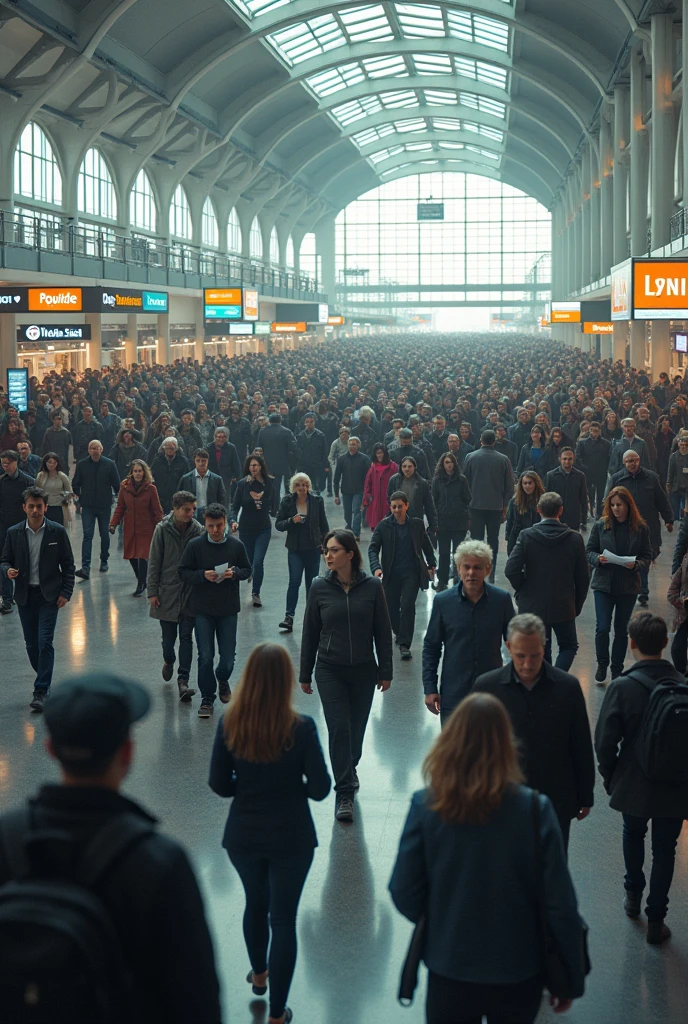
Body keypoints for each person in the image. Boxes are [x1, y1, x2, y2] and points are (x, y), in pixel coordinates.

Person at [0, 670, 222, 1020]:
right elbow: (197, 1004)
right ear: (127, 752)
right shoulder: (159, 863)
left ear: (50, 750)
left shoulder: (6, 838)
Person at [389, 693, 587, 1024]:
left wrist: (442, 919)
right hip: (518, 970)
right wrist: (570, 978)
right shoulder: (535, 810)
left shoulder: (427, 806)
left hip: (449, 964)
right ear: (506, 745)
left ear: (450, 742)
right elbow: (560, 904)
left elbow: (403, 890)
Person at [208, 644, 331, 1024]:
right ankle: (277, 1014)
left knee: (255, 905)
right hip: (292, 836)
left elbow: (218, 783)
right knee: (283, 919)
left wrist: (243, 788)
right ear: (284, 683)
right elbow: (321, 789)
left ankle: (259, 974)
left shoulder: (231, 723)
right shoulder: (302, 728)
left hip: (243, 834)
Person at [594, 612, 688, 944]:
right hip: (676, 787)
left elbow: (604, 742)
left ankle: (632, 896)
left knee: (632, 834)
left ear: (631, 644)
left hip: (634, 783)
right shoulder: (683, 685)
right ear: (665, 643)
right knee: (666, 848)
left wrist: (612, 777)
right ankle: (657, 919)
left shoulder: (622, 687)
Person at [473, 614, 595, 852]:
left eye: (535, 656)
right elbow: (474, 748)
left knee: (551, 869)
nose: (528, 664)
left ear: (544, 646)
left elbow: (580, 743)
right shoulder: (487, 687)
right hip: (501, 800)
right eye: (520, 656)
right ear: (508, 647)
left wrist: (585, 795)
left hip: (554, 800)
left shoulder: (567, 688)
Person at [300, 529, 393, 822]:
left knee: (356, 731)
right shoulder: (318, 586)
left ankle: (348, 767)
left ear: (350, 554)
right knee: (339, 727)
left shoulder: (372, 587)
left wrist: (386, 670)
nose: (328, 555)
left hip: (364, 669)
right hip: (330, 668)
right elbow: (310, 631)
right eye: (326, 550)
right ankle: (344, 792)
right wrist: (305, 672)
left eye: (334, 550)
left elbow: (382, 631)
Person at [423, 540, 514, 724]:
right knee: (455, 751)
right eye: (467, 567)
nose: (471, 573)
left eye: (477, 567)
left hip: (491, 693)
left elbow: (515, 643)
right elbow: (432, 647)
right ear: (458, 568)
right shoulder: (443, 602)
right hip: (454, 694)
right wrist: (430, 688)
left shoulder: (501, 601)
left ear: (488, 570)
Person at [1, 485, 74, 711]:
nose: (35, 510)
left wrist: (66, 592)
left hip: (48, 595)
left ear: (45, 507)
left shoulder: (56, 532)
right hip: (24, 595)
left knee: (45, 642)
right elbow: (4, 560)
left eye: (39, 506)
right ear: (24, 508)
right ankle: (44, 676)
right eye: (31, 506)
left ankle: (41, 689)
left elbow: (69, 565)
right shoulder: (14, 533)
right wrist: (7, 571)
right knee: (32, 644)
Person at [179, 502, 252, 717]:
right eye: (210, 526)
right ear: (205, 524)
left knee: (227, 659)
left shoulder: (236, 546)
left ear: (226, 524)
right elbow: (182, 572)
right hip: (202, 609)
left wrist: (234, 573)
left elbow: (248, 570)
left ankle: (222, 677)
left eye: (219, 526)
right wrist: (202, 575)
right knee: (205, 656)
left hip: (228, 609)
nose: (215, 531)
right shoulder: (195, 545)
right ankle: (207, 699)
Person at [505, 491, 589, 671]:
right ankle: (557, 679)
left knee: (542, 647)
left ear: (538, 510)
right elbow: (583, 577)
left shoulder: (527, 536)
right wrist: (577, 604)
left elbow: (511, 569)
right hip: (563, 604)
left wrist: (523, 589)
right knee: (568, 646)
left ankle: (545, 683)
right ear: (561, 511)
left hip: (533, 604)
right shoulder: (574, 538)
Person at [586, 486, 652, 683]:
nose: (616, 508)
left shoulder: (640, 528)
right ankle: (602, 662)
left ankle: (617, 668)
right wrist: (598, 559)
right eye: (613, 505)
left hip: (628, 585)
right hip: (604, 585)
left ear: (628, 505)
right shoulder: (600, 526)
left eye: (619, 505)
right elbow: (589, 550)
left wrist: (637, 564)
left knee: (622, 629)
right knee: (602, 627)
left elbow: (647, 556)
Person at [147, 490, 202, 701]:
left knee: (187, 638)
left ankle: (183, 681)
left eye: (193, 510)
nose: (191, 513)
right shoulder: (162, 530)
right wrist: (153, 591)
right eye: (187, 510)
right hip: (167, 592)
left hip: (189, 594)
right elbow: (154, 562)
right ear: (176, 509)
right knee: (168, 641)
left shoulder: (197, 530)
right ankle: (168, 660)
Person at [368, 490, 436, 660]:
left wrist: (432, 564)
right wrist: (376, 567)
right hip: (390, 574)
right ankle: (400, 633)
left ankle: (405, 644)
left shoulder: (416, 524)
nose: (397, 509)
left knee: (407, 605)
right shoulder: (383, 526)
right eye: (394, 507)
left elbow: (426, 546)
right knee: (391, 608)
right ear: (390, 508)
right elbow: (373, 548)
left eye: (400, 506)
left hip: (411, 573)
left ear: (407, 505)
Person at [608, 449, 673, 606]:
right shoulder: (617, 479)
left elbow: (662, 500)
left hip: (648, 527)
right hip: (624, 527)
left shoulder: (651, 478)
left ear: (639, 460)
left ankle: (642, 589)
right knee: (629, 557)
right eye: (629, 461)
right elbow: (608, 501)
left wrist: (668, 519)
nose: (632, 463)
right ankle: (637, 589)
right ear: (624, 463)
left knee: (646, 557)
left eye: (635, 460)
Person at [275, 473, 328, 633]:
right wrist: (292, 520)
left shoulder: (317, 501)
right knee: (294, 582)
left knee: (312, 585)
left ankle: (311, 617)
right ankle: (289, 617)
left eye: (304, 485)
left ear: (308, 486)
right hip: (295, 549)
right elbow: (278, 524)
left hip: (313, 548)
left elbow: (323, 523)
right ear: (293, 487)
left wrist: (326, 544)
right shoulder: (287, 501)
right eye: (298, 485)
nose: (301, 488)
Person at [463, 429, 514, 582]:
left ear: (481, 440)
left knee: (476, 540)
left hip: (475, 506)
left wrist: (466, 505)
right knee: (493, 540)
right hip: (495, 506)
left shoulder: (470, 457)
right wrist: (505, 505)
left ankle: (477, 569)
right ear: (494, 442)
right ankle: (490, 571)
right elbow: (509, 486)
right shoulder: (504, 459)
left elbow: (465, 483)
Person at [108, 460, 164, 597]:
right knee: (132, 555)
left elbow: (157, 510)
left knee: (143, 556)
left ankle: (141, 584)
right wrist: (113, 523)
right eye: (135, 471)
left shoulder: (151, 488)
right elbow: (120, 507)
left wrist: (162, 526)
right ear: (131, 473)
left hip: (146, 526)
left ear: (144, 472)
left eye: (140, 471)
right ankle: (142, 579)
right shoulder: (124, 487)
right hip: (130, 526)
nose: (138, 473)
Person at [230, 452, 274, 608]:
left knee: (258, 561)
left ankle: (256, 593)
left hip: (263, 528)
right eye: (250, 465)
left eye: (255, 465)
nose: (253, 468)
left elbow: (274, 504)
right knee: (248, 562)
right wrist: (233, 520)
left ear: (261, 467)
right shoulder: (243, 484)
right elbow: (234, 506)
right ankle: (250, 575)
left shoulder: (269, 483)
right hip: (246, 528)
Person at [72, 440, 120, 580]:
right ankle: (85, 567)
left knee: (104, 534)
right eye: (92, 448)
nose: (95, 450)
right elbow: (76, 483)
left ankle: (104, 560)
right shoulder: (82, 464)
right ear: (88, 450)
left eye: (97, 448)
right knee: (87, 535)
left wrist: (118, 501)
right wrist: (81, 499)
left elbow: (117, 484)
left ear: (102, 449)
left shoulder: (110, 464)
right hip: (88, 506)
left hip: (104, 506)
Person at [0, 450, 37, 613]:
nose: (4, 466)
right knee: (4, 562)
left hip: (22, 527)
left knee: (24, 561)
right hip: (4, 528)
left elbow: (34, 506)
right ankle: (7, 598)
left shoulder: (28, 482)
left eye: (7, 463)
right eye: (2, 463)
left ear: (15, 462)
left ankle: (24, 594)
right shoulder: (2, 481)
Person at [333, 436, 371, 540]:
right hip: (346, 490)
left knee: (356, 510)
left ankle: (356, 533)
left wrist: (368, 492)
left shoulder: (364, 459)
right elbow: (336, 477)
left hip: (359, 490)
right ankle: (348, 527)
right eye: (350, 444)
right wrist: (336, 494)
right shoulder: (342, 459)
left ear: (358, 445)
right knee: (347, 512)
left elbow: (368, 477)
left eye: (354, 444)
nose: (352, 446)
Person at [387, 455, 437, 533]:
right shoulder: (393, 481)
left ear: (414, 467)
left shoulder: (422, 483)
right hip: (397, 520)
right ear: (401, 467)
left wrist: (433, 524)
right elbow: (388, 501)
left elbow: (429, 505)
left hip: (415, 520)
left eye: (410, 466)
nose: (407, 469)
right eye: (404, 466)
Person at [546, 447, 588, 531]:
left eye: (570, 459)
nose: (567, 461)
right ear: (559, 459)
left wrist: (584, 518)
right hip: (556, 517)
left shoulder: (580, 476)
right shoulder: (551, 475)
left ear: (573, 459)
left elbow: (583, 498)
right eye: (564, 459)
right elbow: (547, 498)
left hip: (574, 517)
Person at [575, 420, 610, 519]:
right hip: (587, 472)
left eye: (596, 430)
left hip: (601, 472)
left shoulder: (606, 443)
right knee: (587, 494)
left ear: (600, 431)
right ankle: (585, 513)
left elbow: (609, 457)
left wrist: (606, 468)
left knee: (601, 495)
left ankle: (599, 514)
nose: (594, 432)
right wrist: (583, 467)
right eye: (592, 430)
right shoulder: (582, 442)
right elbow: (577, 456)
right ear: (589, 431)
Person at [179, 448, 227, 520]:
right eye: (198, 461)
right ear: (194, 461)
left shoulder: (217, 479)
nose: (201, 463)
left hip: (210, 514)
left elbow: (222, 500)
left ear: (208, 461)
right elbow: (179, 498)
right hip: (191, 515)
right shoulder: (186, 479)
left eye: (203, 461)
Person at [258, 413, 297, 498]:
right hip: (284, 463)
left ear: (269, 421)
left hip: (268, 463)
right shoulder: (287, 431)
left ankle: (274, 507)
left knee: (273, 488)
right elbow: (293, 448)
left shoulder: (263, 432)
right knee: (286, 486)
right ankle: (284, 505)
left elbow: (259, 447)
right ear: (280, 420)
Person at [505, 471, 543, 555]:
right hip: (517, 539)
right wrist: (508, 537)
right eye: (525, 483)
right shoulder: (515, 502)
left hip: (537, 539)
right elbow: (510, 521)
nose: (527, 486)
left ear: (535, 484)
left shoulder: (542, 501)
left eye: (530, 483)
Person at [362, 442, 398, 530]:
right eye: (377, 453)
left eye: (381, 453)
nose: (379, 455)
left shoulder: (393, 467)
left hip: (389, 500)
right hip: (375, 501)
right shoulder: (373, 468)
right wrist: (367, 497)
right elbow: (367, 484)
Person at [150, 437, 189, 514]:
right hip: (159, 499)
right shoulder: (157, 461)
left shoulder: (183, 461)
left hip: (177, 500)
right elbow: (152, 479)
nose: (170, 450)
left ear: (176, 448)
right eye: (168, 448)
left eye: (172, 448)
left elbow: (186, 481)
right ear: (163, 448)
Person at [295, 413, 329, 496]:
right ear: (304, 423)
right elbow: (297, 451)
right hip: (304, 466)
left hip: (317, 465)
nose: (309, 424)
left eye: (311, 422)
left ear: (314, 423)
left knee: (317, 488)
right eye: (307, 422)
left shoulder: (320, 435)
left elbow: (325, 451)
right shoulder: (300, 436)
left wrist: (325, 465)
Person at [35, 451, 72, 526]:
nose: (52, 464)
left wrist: (64, 496)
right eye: (50, 462)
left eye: (54, 462)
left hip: (59, 507)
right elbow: (36, 491)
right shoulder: (40, 476)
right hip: (45, 507)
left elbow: (69, 491)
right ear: (45, 463)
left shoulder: (62, 476)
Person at [666, 432, 688, 521]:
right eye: (681, 444)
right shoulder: (673, 456)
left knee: (685, 510)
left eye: (685, 445)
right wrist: (668, 483)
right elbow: (670, 471)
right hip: (676, 486)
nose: (683, 447)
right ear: (678, 444)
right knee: (675, 510)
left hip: (687, 488)